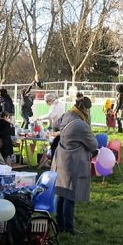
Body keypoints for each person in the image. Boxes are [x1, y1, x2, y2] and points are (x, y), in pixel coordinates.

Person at [51, 96, 98, 234]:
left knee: (59, 193)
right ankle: (69, 227)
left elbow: (55, 125)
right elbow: (93, 144)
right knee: (70, 196)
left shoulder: (66, 115)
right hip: (73, 162)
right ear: (84, 108)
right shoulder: (81, 124)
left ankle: (59, 225)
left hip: (60, 158)